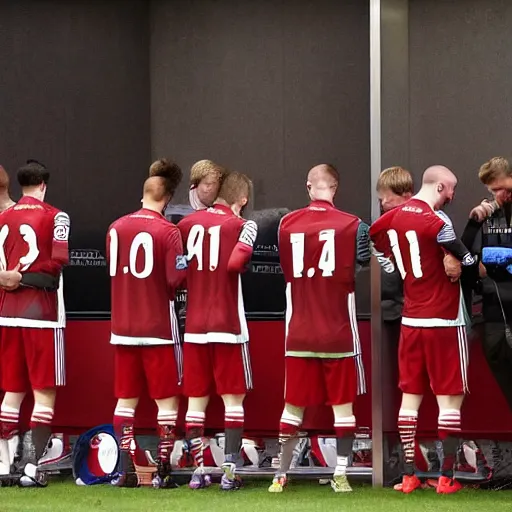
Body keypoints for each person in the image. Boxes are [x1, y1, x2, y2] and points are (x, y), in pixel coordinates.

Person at [370, 165, 476, 494]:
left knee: (409, 399)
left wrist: (393, 264)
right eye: (452, 189)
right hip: (444, 319)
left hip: (411, 319)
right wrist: (466, 263)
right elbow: (463, 263)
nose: (453, 196)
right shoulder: (437, 221)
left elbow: (373, 238)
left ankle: (408, 474)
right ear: (441, 187)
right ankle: (446, 477)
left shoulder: (390, 219)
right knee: (449, 400)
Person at [269, 164, 371, 494]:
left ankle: (279, 475)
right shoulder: (354, 225)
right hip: (338, 331)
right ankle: (341, 474)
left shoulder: (286, 225)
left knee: (292, 407)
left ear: (309, 187)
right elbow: (362, 264)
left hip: (299, 331)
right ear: (335, 189)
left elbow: (286, 270)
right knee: (343, 408)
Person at [177, 171, 257, 491]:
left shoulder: (185, 225)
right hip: (228, 324)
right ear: (243, 200)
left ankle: (198, 471)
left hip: (195, 325)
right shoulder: (243, 225)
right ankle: (229, 472)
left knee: (196, 402)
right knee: (232, 401)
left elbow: (178, 269)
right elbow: (236, 264)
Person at [107, 168, 186, 488]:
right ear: (167, 199)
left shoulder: (115, 227)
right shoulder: (169, 232)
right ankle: (164, 470)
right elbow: (176, 279)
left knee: (125, 399)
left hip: (122, 325)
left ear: (143, 193)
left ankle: (126, 468)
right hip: (157, 325)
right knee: (166, 400)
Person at [0, 160, 69, 487]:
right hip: (41, 315)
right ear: (43, 184)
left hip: (6, 315)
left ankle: (2, 465)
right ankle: (32, 467)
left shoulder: (2, 217)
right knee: (44, 394)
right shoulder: (57, 216)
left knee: (12, 392)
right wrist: (23, 277)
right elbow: (57, 265)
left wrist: (9, 277)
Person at [460, 157, 512, 412]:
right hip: (493, 309)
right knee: (500, 368)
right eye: (493, 191)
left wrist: (491, 260)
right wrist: (474, 221)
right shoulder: (487, 214)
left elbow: (486, 261)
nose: (500, 195)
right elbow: (462, 254)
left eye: (504, 188)